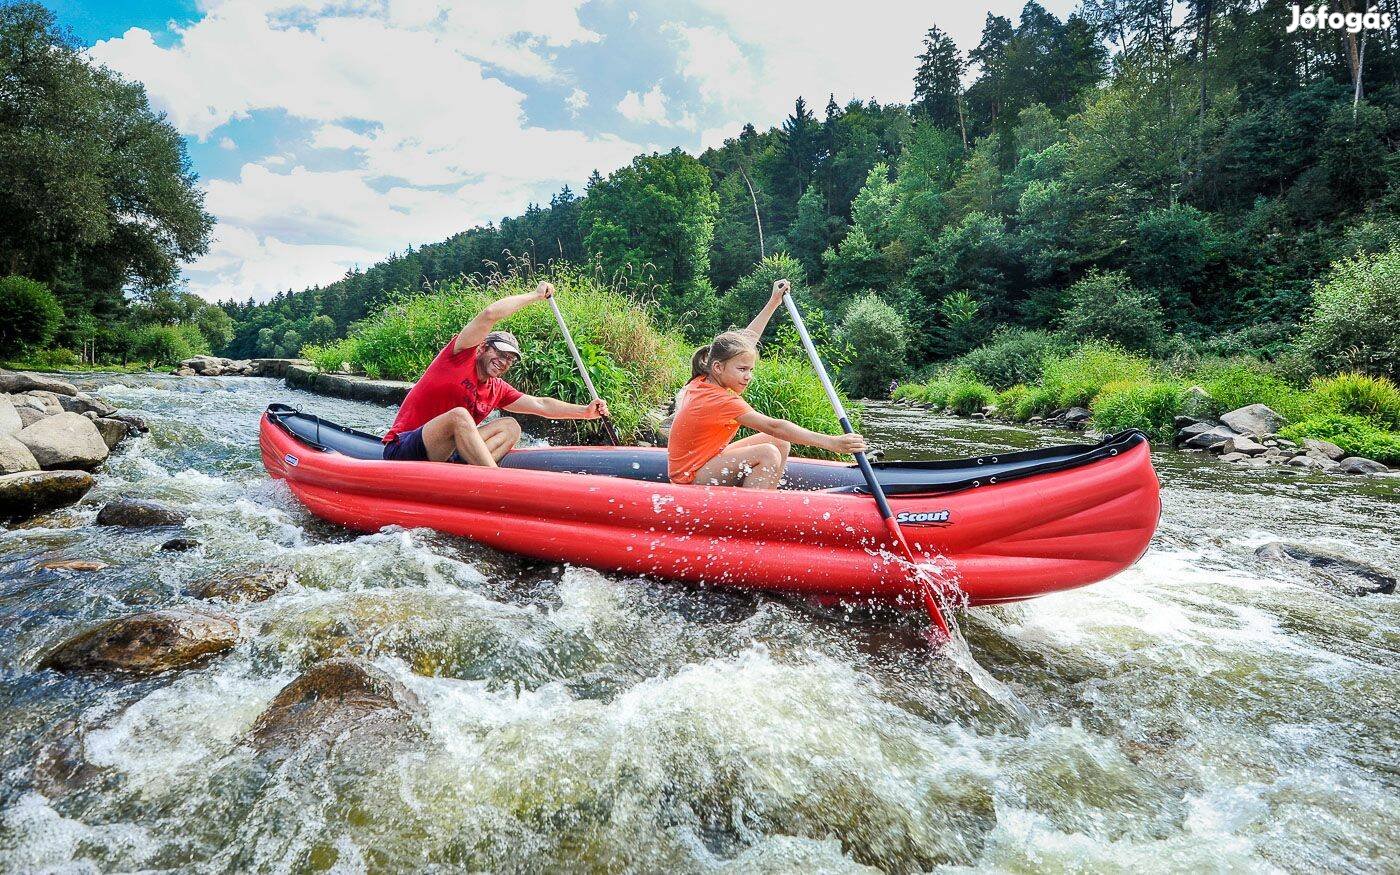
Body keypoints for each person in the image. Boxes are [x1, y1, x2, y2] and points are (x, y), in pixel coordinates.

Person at [667, 279, 867, 489]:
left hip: (706, 460)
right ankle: (752, 514)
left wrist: (773, 302)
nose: (748, 376)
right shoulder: (719, 399)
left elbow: (745, 342)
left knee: (779, 443)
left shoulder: (706, 377)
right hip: (688, 478)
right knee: (767, 451)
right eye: (742, 370)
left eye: (750, 369)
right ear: (718, 367)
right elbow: (775, 426)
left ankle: (766, 497)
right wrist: (832, 443)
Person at [381, 281, 609, 465]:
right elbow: (490, 313)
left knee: (510, 426)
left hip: (445, 457)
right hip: (404, 447)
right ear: (482, 348)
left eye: (510, 359)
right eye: (500, 353)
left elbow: (541, 405)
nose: (504, 362)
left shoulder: (496, 388)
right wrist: (535, 295)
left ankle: (467, 474)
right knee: (459, 416)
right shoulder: (459, 356)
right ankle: (493, 480)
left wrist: (585, 412)